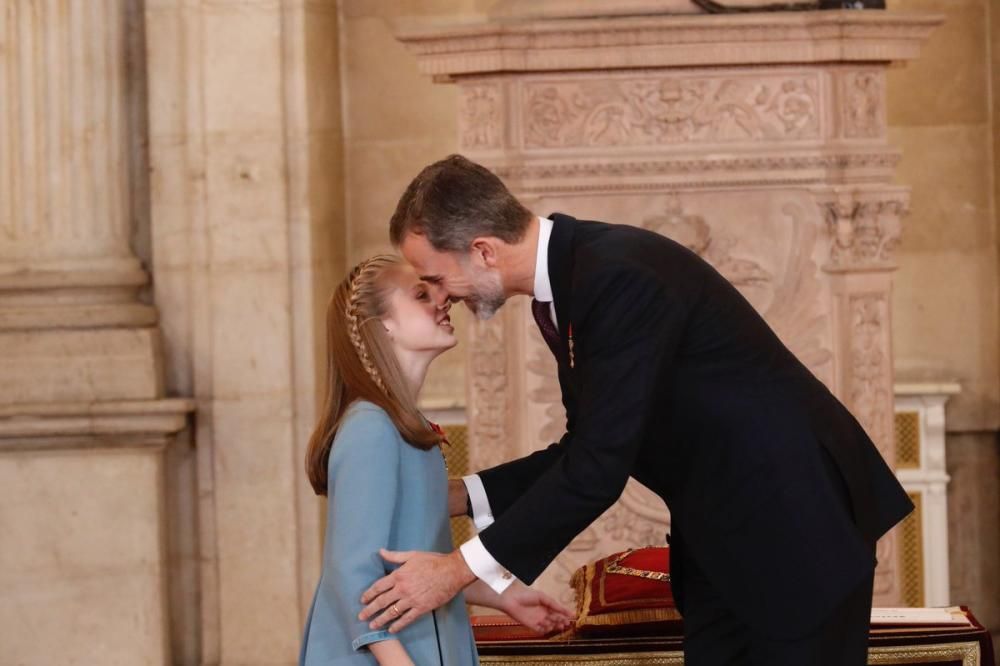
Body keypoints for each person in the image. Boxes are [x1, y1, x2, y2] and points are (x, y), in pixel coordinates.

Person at [356, 156, 914, 665]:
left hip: (792, 531)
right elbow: (585, 448)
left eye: (435, 278)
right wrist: (462, 495)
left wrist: (455, 571)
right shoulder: (577, 278)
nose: (442, 295)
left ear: (482, 250)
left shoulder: (615, 275)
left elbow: (597, 469)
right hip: (729, 540)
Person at [300, 254, 573, 666]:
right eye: (421, 294)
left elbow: (420, 561)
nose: (443, 300)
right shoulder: (369, 427)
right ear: (383, 323)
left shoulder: (407, 428)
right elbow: (351, 574)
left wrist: (506, 594)